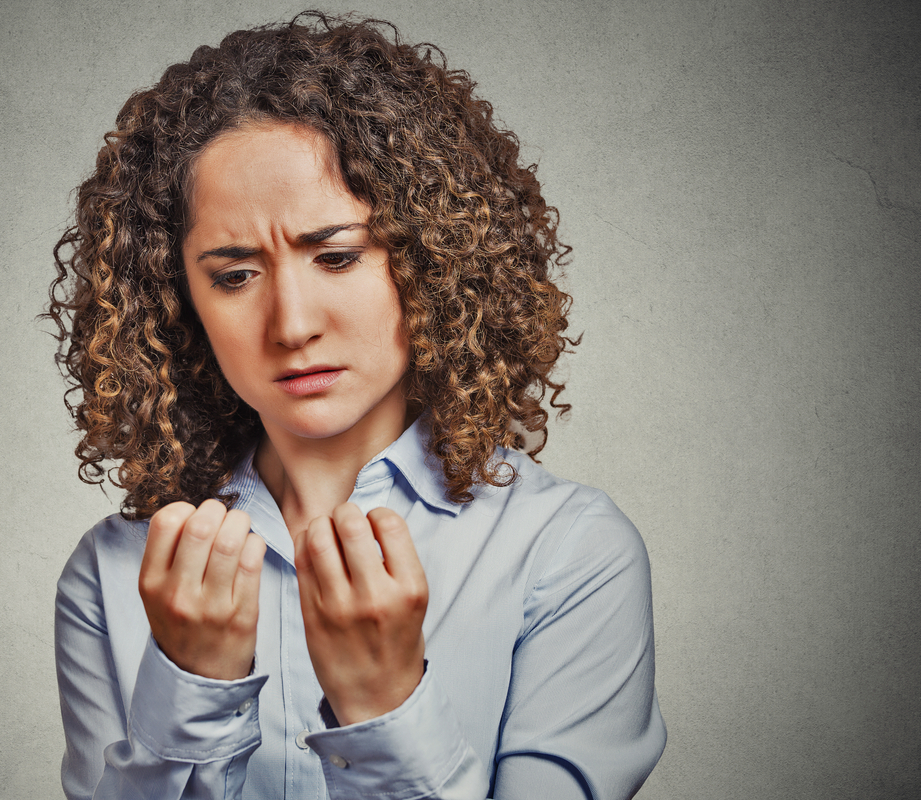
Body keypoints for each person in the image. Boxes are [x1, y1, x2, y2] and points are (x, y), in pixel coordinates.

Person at [47, 12, 665, 799]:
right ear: (176, 302)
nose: (293, 323)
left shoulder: (570, 555)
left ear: (432, 257)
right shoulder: (112, 576)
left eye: (337, 256)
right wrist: (189, 692)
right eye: (234, 275)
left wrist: (384, 706)